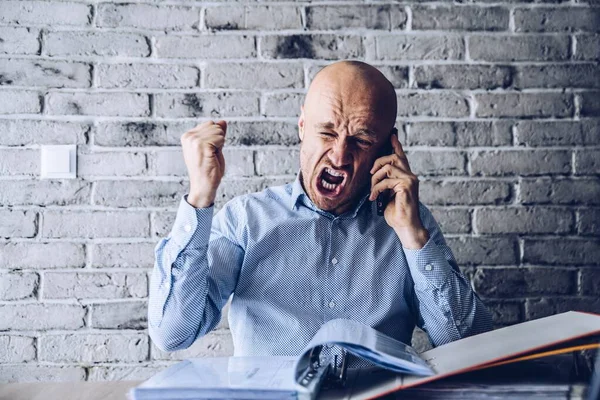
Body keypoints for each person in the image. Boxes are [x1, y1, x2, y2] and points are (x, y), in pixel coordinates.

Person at [148, 61, 493, 359]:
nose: (340, 156)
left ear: (389, 146)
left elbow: (469, 347)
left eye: (361, 140)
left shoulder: (409, 224)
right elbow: (173, 334)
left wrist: (413, 237)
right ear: (302, 127)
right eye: (327, 132)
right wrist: (199, 198)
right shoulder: (246, 221)